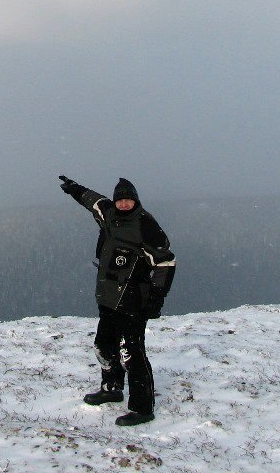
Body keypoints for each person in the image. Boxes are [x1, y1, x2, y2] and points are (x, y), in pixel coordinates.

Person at [58, 175, 176, 426]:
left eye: (128, 200)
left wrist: (157, 297)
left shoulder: (146, 224)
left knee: (131, 354)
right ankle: (111, 387)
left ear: (136, 201)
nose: (123, 204)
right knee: (103, 346)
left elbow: (165, 262)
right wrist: (74, 189)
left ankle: (143, 408)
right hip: (109, 297)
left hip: (134, 300)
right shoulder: (108, 213)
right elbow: (93, 200)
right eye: (120, 200)